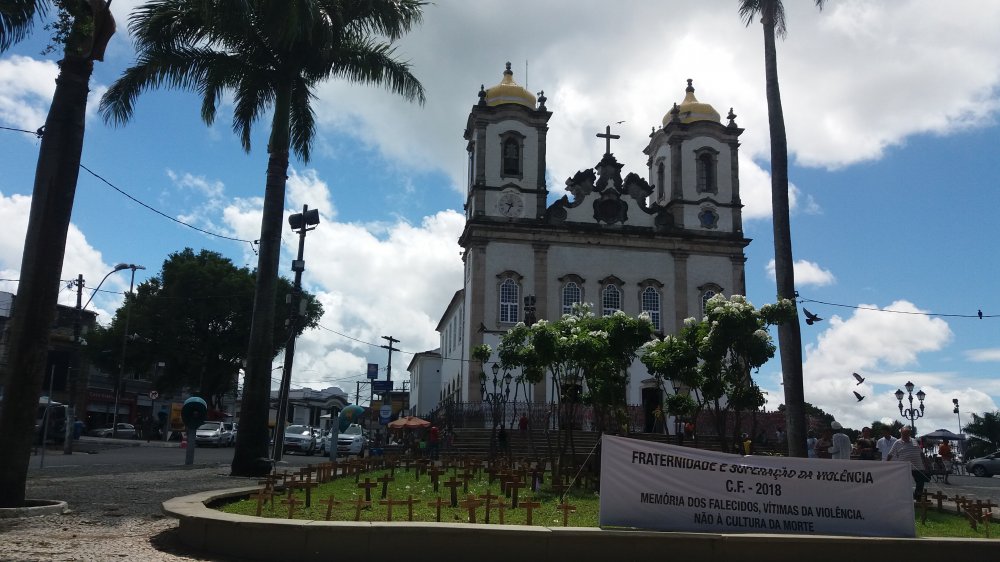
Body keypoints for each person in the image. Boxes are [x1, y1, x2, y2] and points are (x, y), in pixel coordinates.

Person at [886, 427, 931, 500]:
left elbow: (921, 453)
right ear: (901, 434)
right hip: (904, 467)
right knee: (903, 482)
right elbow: (890, 454)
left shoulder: (914, 441)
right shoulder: (897, 442)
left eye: (906, 434)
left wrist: (925, 463)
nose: (905, 436)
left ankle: (917, 497)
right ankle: (904, 497)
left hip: (918, 466)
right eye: (903, 434)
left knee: (920, 482)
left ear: (909, 434)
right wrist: (886, 464)